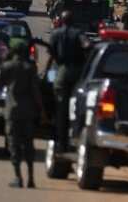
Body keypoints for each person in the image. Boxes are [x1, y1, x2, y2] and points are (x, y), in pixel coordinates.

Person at [0, 40, 44, 189]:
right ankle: (31, 178)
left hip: (13, 111)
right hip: (28, 111)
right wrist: (42, 111)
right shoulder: (30, 68)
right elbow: (36, 92)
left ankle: (18, 177)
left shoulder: (8, 67)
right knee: (29, 144)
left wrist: (4, 61)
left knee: (14, 145)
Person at [48, 10, 87, 153]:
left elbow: (50, 51)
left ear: (62, 21)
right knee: (78, 107)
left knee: (60, 108)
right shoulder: (78, 34)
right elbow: (87, 45)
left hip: (62, 72)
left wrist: (58, 61)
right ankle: (76, 137)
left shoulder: (56, 34)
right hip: (78, 73)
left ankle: (61, 142)